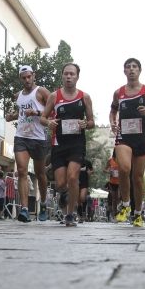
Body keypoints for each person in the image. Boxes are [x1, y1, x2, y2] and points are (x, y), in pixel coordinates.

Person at [109, 58, 145, 227]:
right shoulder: (118, 93)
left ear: (140, 71)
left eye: (134, 67)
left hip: (141, 137)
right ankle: (125, 205)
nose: (131, 70)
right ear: (124, 71)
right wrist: (112, 123)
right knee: (124, 168)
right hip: (124, 136)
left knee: (138, 178)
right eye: (128, 67)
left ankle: (138, 213)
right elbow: (112, 111)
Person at [42, 63, 95, 227]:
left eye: (72, 74)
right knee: (60, 184)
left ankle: (71, 214)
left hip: (77, 144)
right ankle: (66, 196)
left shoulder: (84, 97)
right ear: (62, 76)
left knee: (73, 177)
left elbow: (92, 121)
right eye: (66, 74)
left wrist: (86, 123)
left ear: (77, 77)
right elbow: (42, 118)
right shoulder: (54, 96)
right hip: (59, 144)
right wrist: (48, 122)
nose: (69, 77)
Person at [5, 65, 50, 221]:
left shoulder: (42, 91)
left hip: (38, 138)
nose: (26, 80)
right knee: (22, 171)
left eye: (29, 76)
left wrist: (37, 112)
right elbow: (21, 113)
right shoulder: (17, 95)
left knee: (40, 174)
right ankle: (24, 209)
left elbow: (53, 110)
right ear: (20, 78)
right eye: (23, 77)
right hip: (21, 136)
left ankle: (43, 202)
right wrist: (12, 116)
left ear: (33, 76)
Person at [106, 151, 120, 216]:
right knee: (114, 197)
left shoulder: (121, 161)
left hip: (120, 182)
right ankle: (114, 213)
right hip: (112, 182)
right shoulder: (110, 161)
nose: (114, 159)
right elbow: (104, 169)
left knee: (118, 197)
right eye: (113, 158)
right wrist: (109, 171)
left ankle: (118, 209)